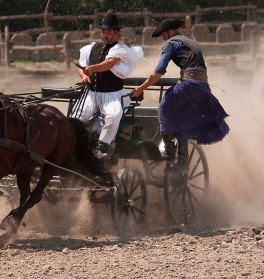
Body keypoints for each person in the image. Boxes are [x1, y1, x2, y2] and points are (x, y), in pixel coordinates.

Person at [129, 18, 229, 171]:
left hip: (189, 84)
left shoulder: (170, 43)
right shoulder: (189, 40)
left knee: (163, 108)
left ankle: (169, 152)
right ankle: (182, 161)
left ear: (170, 32)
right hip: (203, 86)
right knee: (181, 117)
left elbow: (158, 72)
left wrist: (140, 89)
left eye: (163, 34)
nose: (163, 38)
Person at [75, 12, 144, 162]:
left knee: (113, 116)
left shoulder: (119, 49)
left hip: (112, 95)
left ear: (117, 33)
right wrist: (84, 76)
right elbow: (81, 67)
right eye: (103, 31)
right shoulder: (91, 48)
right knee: (77, 118)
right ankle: (75, 146)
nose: (105, 34)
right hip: (92, 94)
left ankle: (102, 147)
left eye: (108, 32)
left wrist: (91, 69)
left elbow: (110, 63)